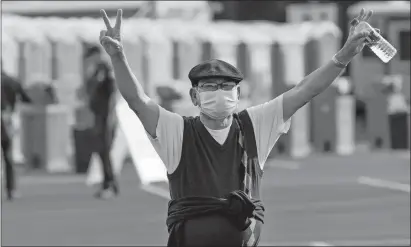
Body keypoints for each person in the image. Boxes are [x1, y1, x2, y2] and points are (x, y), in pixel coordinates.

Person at [99, 8, 375, 246]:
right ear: (194, 96)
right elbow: (137, 100)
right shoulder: (177, 130)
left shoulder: (254, 124)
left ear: (238, 94)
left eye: (227, 86)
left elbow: (305, 90)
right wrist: (117, 57)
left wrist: (345, 54)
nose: (220, 92)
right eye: (209, 86)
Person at [84, 45, 119, 199]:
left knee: (103, 149)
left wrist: (111, 113)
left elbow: (109, 91)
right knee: (100, 149)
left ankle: (110, 184)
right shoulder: (97, 70)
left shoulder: (103, 69)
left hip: (103, 114)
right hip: (98, 113)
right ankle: (108, 183)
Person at [1, 66, 32, 201]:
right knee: (8, 155)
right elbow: (26, 98)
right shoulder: (12, 80)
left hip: (4, 117)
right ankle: (10, 189)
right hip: (7, 119)